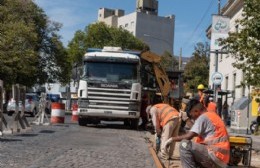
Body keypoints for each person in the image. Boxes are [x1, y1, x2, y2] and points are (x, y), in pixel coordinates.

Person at [164, 99, 230, 168]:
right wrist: (186, 119)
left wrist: (171, 139)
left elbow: (189, 136)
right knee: (193, 153)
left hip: (215, 156)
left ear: (196, 111)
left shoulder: (203, 117)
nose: (193, 118)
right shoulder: (211, 115)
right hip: (221, 159)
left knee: (185, 144)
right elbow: (195, 130)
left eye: (192, 115)